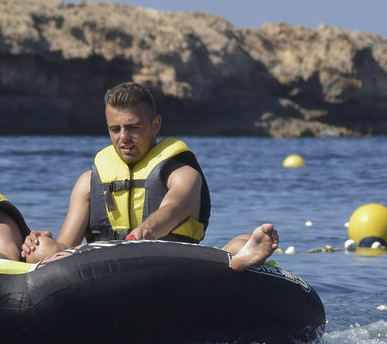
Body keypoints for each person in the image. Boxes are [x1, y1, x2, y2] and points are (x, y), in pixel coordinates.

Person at [21, 81, 279, 272]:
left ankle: (237, 262)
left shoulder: (182, 173)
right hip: (101, 267)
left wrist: (146, 231)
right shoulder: (87, 183)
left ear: (155, 125)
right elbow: (66, 245)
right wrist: (39, 242)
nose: (124, 138)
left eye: (133, 127)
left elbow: (174, 208)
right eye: (115, 129)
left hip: (170, 261)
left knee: (244, 240)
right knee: (41, 249)